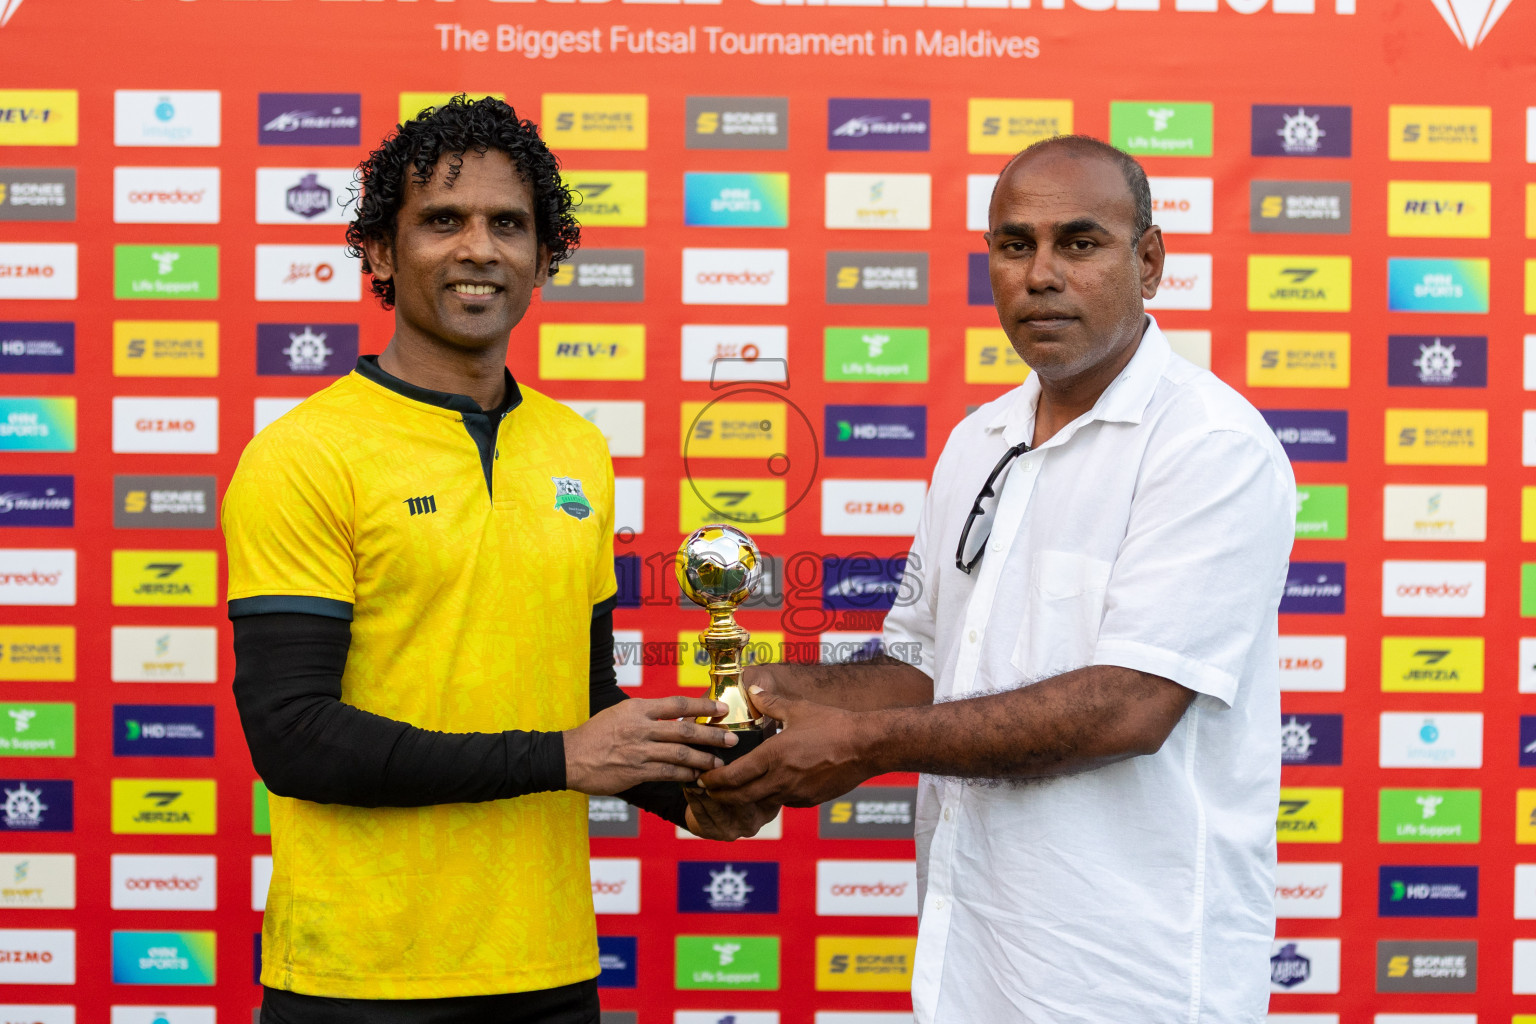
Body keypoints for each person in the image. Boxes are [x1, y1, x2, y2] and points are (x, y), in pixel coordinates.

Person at [703, 135, 1296, 1022]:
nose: (1042, 274)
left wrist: (860, 744)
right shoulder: (979, 440)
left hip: (1137, 978)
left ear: (1150, 263)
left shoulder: (1209, 446)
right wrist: (786, 694)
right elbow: (927, 664)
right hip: (973, 961)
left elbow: (1130, 706)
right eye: (1015, 245)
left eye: (1080, 243)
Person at [222, 95, 769, 1024]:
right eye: (442, 220)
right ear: (381, 256)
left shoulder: (576, 450)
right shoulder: (304, 454)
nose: (479, 248)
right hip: (361, 977)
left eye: (507, 224)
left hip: (549, 971)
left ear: (544, 256)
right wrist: (559, 758)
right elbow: (293, 738)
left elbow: (586, 708)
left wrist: (692, 794)